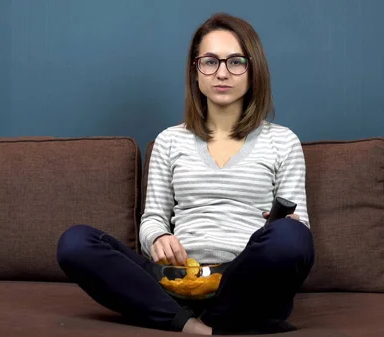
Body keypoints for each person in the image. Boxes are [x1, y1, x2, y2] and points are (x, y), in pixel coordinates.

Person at [56, 12, 314, 335]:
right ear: (196, 71)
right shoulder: (169, 141)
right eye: (210, 61)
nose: (222, 73)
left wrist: (282, 228)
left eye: (235, 62)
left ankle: (201, 319)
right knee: (75, 243)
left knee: (294, 237)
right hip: (175, 280)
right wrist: (159, 238)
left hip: (245, 279)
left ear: (253, 70)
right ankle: (196, 323)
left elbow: (298, 229)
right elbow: (152, 220)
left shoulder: (282, 142)